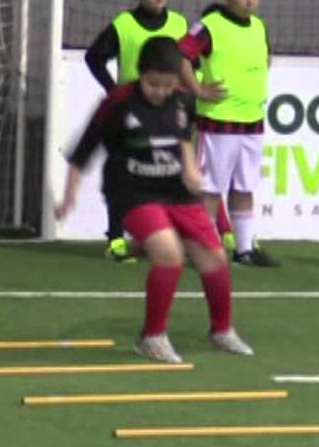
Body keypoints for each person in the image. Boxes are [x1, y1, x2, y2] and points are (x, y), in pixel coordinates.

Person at [56, 37, 252, 363]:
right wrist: (69, 198)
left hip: (178, 192)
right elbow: (83, 153)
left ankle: (222, 331)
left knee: (214, 258)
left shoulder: (183, 101)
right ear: (140, 75)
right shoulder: (117, 103)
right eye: (152, 84)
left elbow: (185, 136)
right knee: (169, 254)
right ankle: (151, 337)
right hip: (131, 192)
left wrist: (191, 170)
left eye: (167, 85)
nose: (160, 92)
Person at [83, 0, 190, 263]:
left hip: (165, 114)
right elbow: (95, 57)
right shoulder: (124, 25)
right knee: (124, 177)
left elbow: (187, 66)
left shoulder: (179, 24)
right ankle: (116, 240)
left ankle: (153, 238)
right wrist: (114, 91)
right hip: (129, 113)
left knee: (163, 175)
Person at [177, 0, 277, 267]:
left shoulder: (259, 26)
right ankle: (202, 248)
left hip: (252, 120)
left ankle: (245, 249)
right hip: (219, 122)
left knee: (245, 187)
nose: (249, 2)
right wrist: (198, 89)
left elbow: (265, 58)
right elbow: (180, 54)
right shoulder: (209, 26)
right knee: (210, 188)